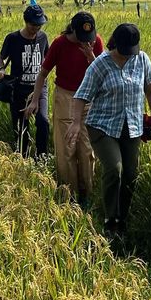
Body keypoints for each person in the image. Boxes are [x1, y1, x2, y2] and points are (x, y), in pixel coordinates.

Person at [66, 23, 151, 239]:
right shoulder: (100, 65)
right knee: (114, 168)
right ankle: (110, 220)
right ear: (116, 44)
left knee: (131, 175)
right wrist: (75, 123)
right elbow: (81, 96)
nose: (129, 55)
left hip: (132, 126)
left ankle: (123, 219)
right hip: (102, 125)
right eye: (125, 50)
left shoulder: (142, 59)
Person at [25, 11, 104, 206]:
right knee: (66, 149)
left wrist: (90, 56)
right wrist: (35, 101)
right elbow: (43, 74)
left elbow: (103, 74)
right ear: (73, 29)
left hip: (88, 99)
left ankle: (87, 194)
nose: (85, 41)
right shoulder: (60, 44)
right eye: (81, 37)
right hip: (65, 97)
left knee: (86, 149)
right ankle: (69, 195)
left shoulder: (96, 42)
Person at [0, 4, 49, 158]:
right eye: (33, 25)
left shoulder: (43, 37)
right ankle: (22, 157)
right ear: (26, 22)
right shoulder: (13, 38)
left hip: (39, 89)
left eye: (39, 25)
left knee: (43, 122)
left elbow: (48, 58)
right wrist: (1, 70)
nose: (36, 28)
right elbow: (1, 58)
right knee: (20, 126)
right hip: (18, 89)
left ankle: (42, 157)